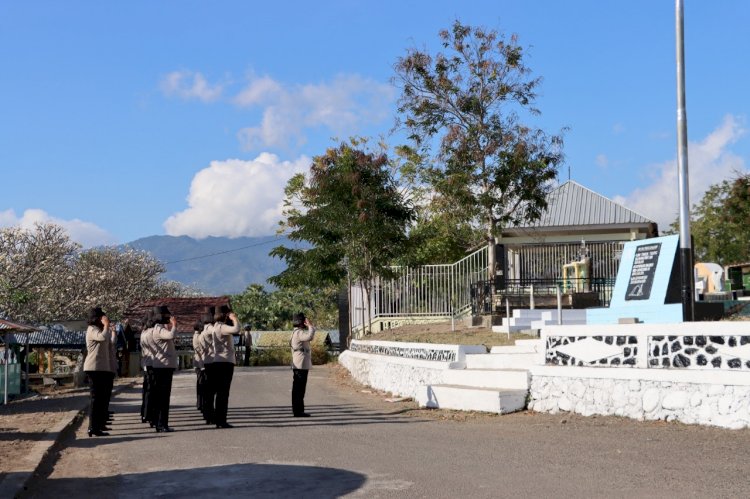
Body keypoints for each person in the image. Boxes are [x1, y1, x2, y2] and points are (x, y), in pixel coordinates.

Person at [83, 306, 112, 437]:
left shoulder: (98, 329)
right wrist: (106, 325)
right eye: (102, 318)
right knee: (95, 398)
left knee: (101, 398)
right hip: (94, 368)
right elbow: (102, 337)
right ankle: (92, 427)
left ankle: (98, 425)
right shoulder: (92, 329)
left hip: (101, 368)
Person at [211, 304, 240, 429]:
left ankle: (219, 419)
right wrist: (234, 319)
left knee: (220, 392)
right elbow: (236, 329)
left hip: (217, 360)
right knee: (224, 392)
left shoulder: (215, 327)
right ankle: (221, 420)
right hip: (225, 362)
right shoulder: (222, 327)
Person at [151, 305, 178, 432]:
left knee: (162, 396)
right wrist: (174, 325)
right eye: (167, 316)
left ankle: (161, 423)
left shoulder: (159, 328)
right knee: (163, 397)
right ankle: (161, 424)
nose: (169, 318)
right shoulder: (159, 329)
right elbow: (171, 336)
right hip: (163, 366)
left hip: (162, 366)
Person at [290, 312, 315, 417]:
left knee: (298, 387)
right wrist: (310, 326)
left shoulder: (296, 332)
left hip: (299, 362)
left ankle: (298, 409)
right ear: (301, 322)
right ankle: (298, 410)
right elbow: (310, 336)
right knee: (299, 387)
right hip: (300, 363)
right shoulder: (299, 333)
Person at [199, 306, 216, 424]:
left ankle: (208, 413)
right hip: (211, 360)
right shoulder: (210, 330)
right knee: (211, 391)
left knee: (208, 390)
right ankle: (210, 414)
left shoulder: (203, 331)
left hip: (206, 360)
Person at [139, 310, 156, 426]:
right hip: (152, 362)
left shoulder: (143, 332)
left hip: (146, 362)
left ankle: (145, 413)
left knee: (148, 390)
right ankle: (149, 414)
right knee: (151, 390)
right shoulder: (151, 333)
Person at [192, 319, 205, 411]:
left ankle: (200, 403)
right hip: (200, 362)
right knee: (201, 384)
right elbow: (199, 350)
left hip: (199, 362)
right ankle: (200, 403)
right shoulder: (197, 336)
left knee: (200, 383)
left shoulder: (197, 335)